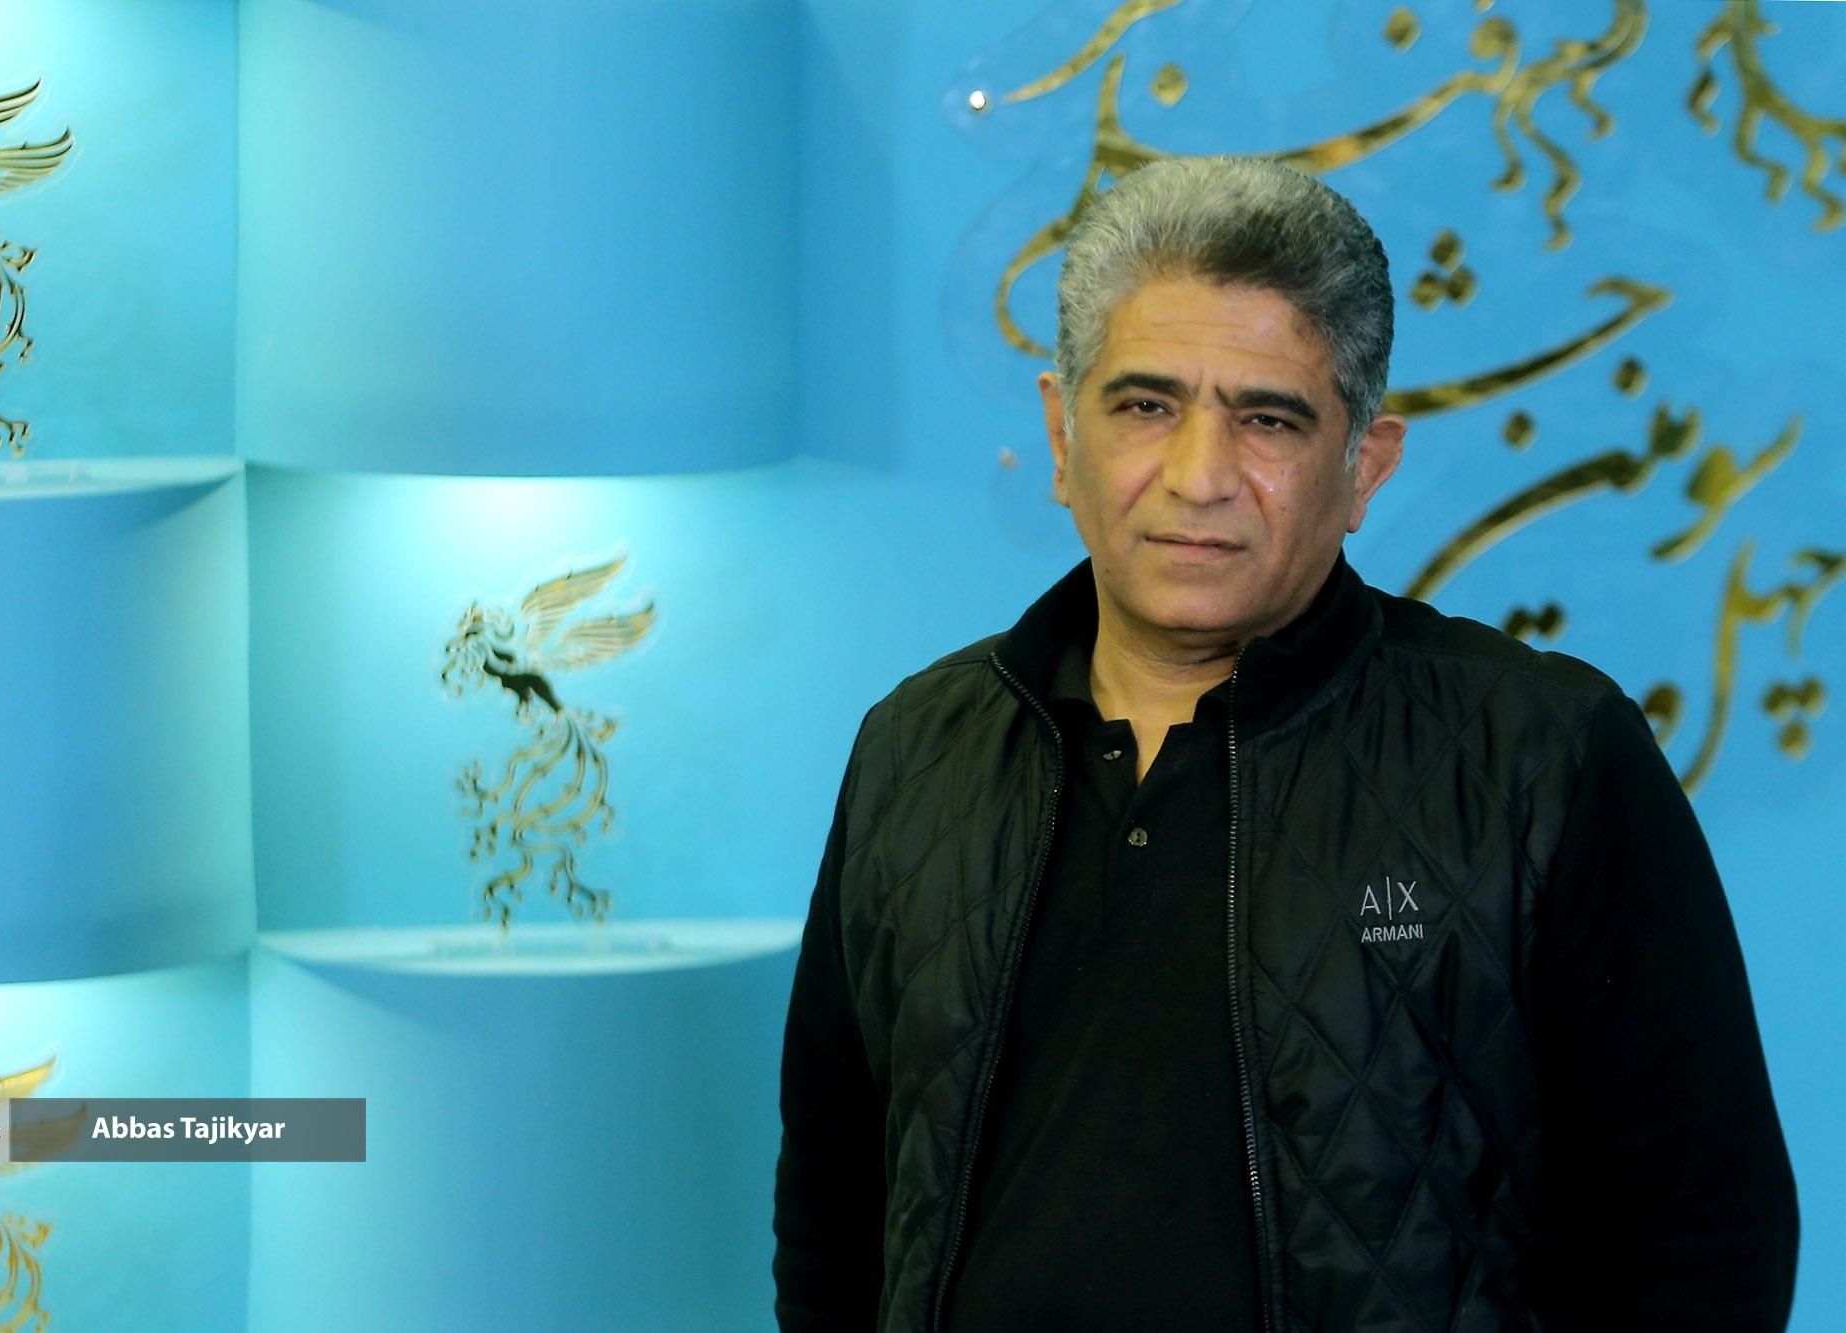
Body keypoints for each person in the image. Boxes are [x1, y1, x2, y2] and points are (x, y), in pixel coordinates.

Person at [771, 155, 1800, 1332]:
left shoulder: (1539, 756)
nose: (1198, 477)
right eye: (1144, 406)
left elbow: (1703, 1237)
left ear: (1364, 465)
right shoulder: (917, 748)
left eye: (1266, 419)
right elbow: (833, 1208)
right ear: (1061, 436)